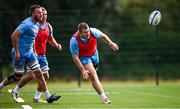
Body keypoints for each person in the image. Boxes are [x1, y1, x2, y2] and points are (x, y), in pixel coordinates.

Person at [0, 5, 60, 103]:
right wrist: (17, 52)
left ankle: (48, 96)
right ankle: (1, 86)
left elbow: (32, 39)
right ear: (33, 14)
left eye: (42, 13)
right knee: (18, 76)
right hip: (19, 54)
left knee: (40, 74)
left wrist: (33, 50)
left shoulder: (37, 24)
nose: (41, 15)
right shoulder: (27, 24)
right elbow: (14, 36)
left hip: (30, 54)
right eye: (38, 13)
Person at [70, 22, 119, 104]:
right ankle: (104, 98)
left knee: (94, 73)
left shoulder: (93, 31)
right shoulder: (74, 41)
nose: (88, 33)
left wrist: (110, 43)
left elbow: (103, 35)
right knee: (94, 76)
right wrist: (82, 70)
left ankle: (92, 79)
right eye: (85, 32)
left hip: (94, 55)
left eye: (88, 31)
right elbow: (75, 57)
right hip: (84, 58)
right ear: (80, 33)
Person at [21, 7, 62, 103]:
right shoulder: (33, 26)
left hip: (42, 55)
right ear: (38, 15)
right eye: (42, 14)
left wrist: (57, 45)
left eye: (45, 14)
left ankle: (36, 97)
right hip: (32, 54)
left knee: (46, 75)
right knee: (30, 76)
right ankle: (15, 90)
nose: (43, 16)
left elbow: (50, 39)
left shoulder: (48, 26)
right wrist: (32, 50)